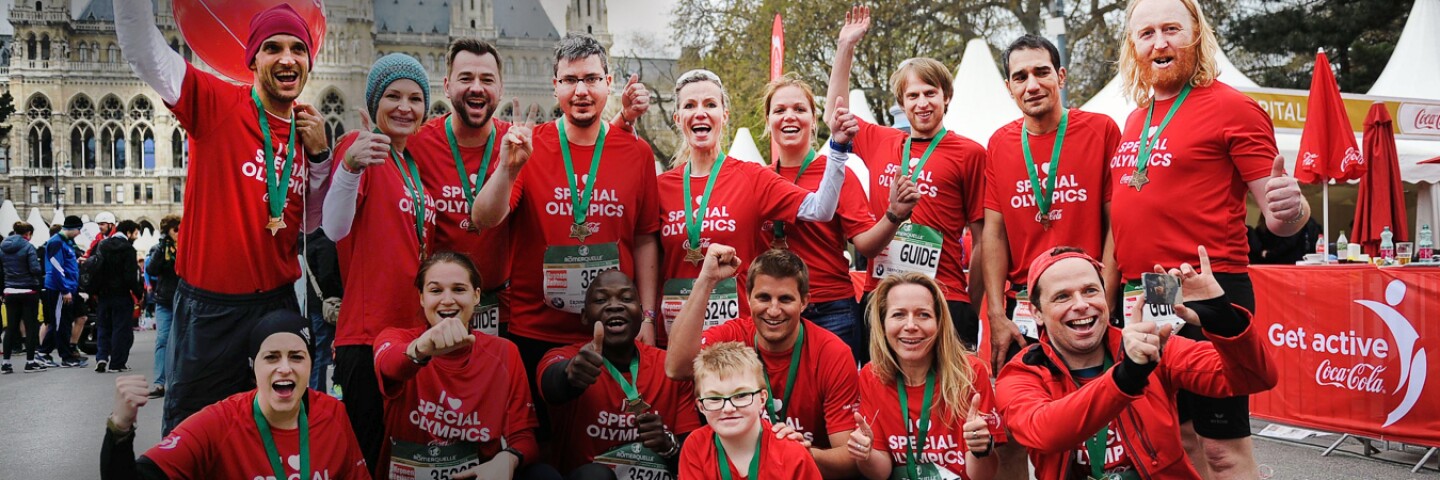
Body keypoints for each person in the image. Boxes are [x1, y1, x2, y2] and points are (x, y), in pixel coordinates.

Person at [116, 0, 333, 434]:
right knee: (195, 435)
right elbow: (143, 49)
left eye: (298, 48)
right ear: (252, 58)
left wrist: (323, 159)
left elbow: (313, 224)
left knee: (279, 434)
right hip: (210, 311)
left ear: (309, 60)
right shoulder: (215, 103)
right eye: (273, 48)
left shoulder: (308, 131)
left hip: (276, 306)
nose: (287, 58)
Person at [1109, 0, 1307, 476]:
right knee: (1175, 440)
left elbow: (1283, 219)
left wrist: (1290, 209)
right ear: (1133, 47)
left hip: (1209, 291)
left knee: (1222, 448)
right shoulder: (1136, 118)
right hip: (1151, 294)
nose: (1159, 42)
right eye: (1146, 33)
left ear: (1197, 35)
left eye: (1171, 29)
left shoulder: (1235, 107)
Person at [469, 33, 656, 425]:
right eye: (570, 80)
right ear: (555, 87)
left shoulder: (636, 152)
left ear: (609, 82)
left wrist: (650, 317)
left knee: (603, 444)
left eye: (591, 78)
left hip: (614, 328)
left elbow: (643, 238)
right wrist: (507, 167)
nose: (581, 91)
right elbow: (483, 219)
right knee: (540, 448)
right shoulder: (527, 144)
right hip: (537, 330)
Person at [995, 246, 1277, 479]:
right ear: (1037, 312)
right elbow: (1045, 432)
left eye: (1091, 291)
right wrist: (1126, 376)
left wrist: (1225, 322)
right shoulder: (1022, 373)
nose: (1081, 304)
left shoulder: (1153, 346)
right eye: (1062, 296)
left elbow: (1254, 378)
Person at [323, 52, 470, 469]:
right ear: (373, 104)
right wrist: (349, 168)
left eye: (415, 98)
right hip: (368, 337)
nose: (405, 107)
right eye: (392, 96)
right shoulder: (361, 147)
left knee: (402, 461)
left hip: (412, 338)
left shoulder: (411, 166)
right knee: (366, 462)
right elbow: (335, 229)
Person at [826, 6, 989, 349]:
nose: (923, 103)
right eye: (913, 96)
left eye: (931, 93)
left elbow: (982, 240)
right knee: (882, 393)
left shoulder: (969, 152)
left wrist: (969, 304)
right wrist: (845, 48)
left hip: (944, 294)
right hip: (882, 295)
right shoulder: (882, 140)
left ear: (946, 97)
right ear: (902, 103)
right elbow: (835, 115)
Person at [655, 70, 848, 346]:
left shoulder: (751, 177)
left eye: (710, 104)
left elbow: (820, 209)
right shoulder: (660, 187)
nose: (700, 113)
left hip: (739, 338)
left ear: (725, 115)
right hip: (676, 333)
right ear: (678, 119)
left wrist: (838, 148)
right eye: (689, 106)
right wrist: (647, 319)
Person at [982, 34, 1120, 376]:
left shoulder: (1100, 130)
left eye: (1041, 72)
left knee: (1098, 415)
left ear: (1061, 76)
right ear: (1008, 86)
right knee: (1030, 417)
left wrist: (1107, 301)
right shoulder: (999, 143)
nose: (1032, 85)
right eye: (1020, 77)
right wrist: (997, 315)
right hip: (1026, 308)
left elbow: (1117, 225)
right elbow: (994, 234)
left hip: (1085, 304)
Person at [756, 74, 918, 359]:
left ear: (814, 119)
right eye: (779, 110)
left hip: (831, 309)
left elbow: (866, 245)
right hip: (775, 310)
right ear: (768, 122)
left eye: (799, 109)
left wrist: (893, 215)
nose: (789, 117)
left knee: (837, 398)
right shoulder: (759, 179)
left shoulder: (839, 173)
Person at [100, 310, 369, 480]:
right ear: (254, 367)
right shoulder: (218, 422)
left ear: (311, 365)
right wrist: (120, 428)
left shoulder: (333, 414)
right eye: (271, 357)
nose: (284, 368)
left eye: (297, 357)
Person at [666, 246, 860, 478]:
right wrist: (706, 280)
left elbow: (850, 460)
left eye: (785, 299)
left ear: (804, 302)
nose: (774, 310)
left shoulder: (832, 353)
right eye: (764, 297)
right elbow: (676, 367)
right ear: (748, 298)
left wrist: (798, 453)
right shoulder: (733, 336)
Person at [372, 252, 558, 480]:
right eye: (435, 290)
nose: (448, 300)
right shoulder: (395, 339)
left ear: (476, 295)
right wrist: (419, 350)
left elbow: (522, 436)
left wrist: (507, 459)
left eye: (459, 289)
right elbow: (392, 365)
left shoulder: (504, 351)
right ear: (421, 297)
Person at [538, 270, 701, 477]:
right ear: (585, 316)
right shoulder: (565, 357)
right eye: (600, 299)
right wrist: (569, 375)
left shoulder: (669, 366)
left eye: (626, 298)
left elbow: (695, 452)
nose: (615, 305)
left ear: (641, 313)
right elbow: (550, 385)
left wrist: (668, 445)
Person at [846, 272, 1002, 480]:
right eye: (898, 314)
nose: (911, 325)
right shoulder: (872, 376)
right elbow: (880, 472)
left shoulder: (971, 373)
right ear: (882, 325)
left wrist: (980, 449)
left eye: (924, 315)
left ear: (940, 324)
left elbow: (983, 476)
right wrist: (865, 455)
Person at [409, 39, 515, 336]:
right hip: (435, 310)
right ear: (446, 85)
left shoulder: (519, 144)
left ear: (501, 89)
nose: (477, 88)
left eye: (487, 79)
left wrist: (624, 122)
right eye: (466, 78)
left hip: (503, 309)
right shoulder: (416, 144)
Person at [677, 341, 822, 479]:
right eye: (715, 399)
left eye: (741, 395)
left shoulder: (792, 453)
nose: (728, 408)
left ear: (762, 399)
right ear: (701, 406)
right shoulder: (696, 445)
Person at [94, 220, 145, 374]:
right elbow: (131, 276)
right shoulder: (128, 249)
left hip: (104, 294)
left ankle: (101, 357)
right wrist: (139, 294)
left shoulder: (102, 245)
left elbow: (96, 269)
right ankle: (116, 363)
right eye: (135, 233)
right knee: (120, 328)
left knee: (103, 326)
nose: (135, 237)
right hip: (122, 295)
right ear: (128, 232)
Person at [38, 216, 87, 368]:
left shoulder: (64, 242)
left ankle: (47, 353)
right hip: (60, 288)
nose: (79, 233)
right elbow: (56, 268)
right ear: (72, 228)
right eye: (79, 230)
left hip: (65, 287)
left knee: (62, 322)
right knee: (60, 323)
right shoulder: (57, 242)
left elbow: (62, 264)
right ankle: (61, 356)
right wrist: (65, 290)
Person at [302, 228, 342, 393]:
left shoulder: (306, 242)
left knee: (316, 350)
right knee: (323, 353)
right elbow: (327, 276)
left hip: (310, 304)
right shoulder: (326, 243)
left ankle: (313, 391)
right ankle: (317, 393)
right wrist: (340, 294)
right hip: (326, 306)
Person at [2, 221, 46, 373]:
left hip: (10, 291)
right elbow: (34, 269)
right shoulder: (28, 247)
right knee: (31, 327)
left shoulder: (3, 247)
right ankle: (30, 362)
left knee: (11, 327)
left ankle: (6, 363)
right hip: (28, 291)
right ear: (28, 233)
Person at [146, 214, 180, 398]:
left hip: (183, 300)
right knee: (162, 341)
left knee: (182, 341)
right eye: (175, 229)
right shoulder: (160, 249)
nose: (178, 232)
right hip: (165, 300)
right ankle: (159, 383)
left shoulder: (188, 245)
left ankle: (177, 381)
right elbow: (151, 270)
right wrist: (161, 246)